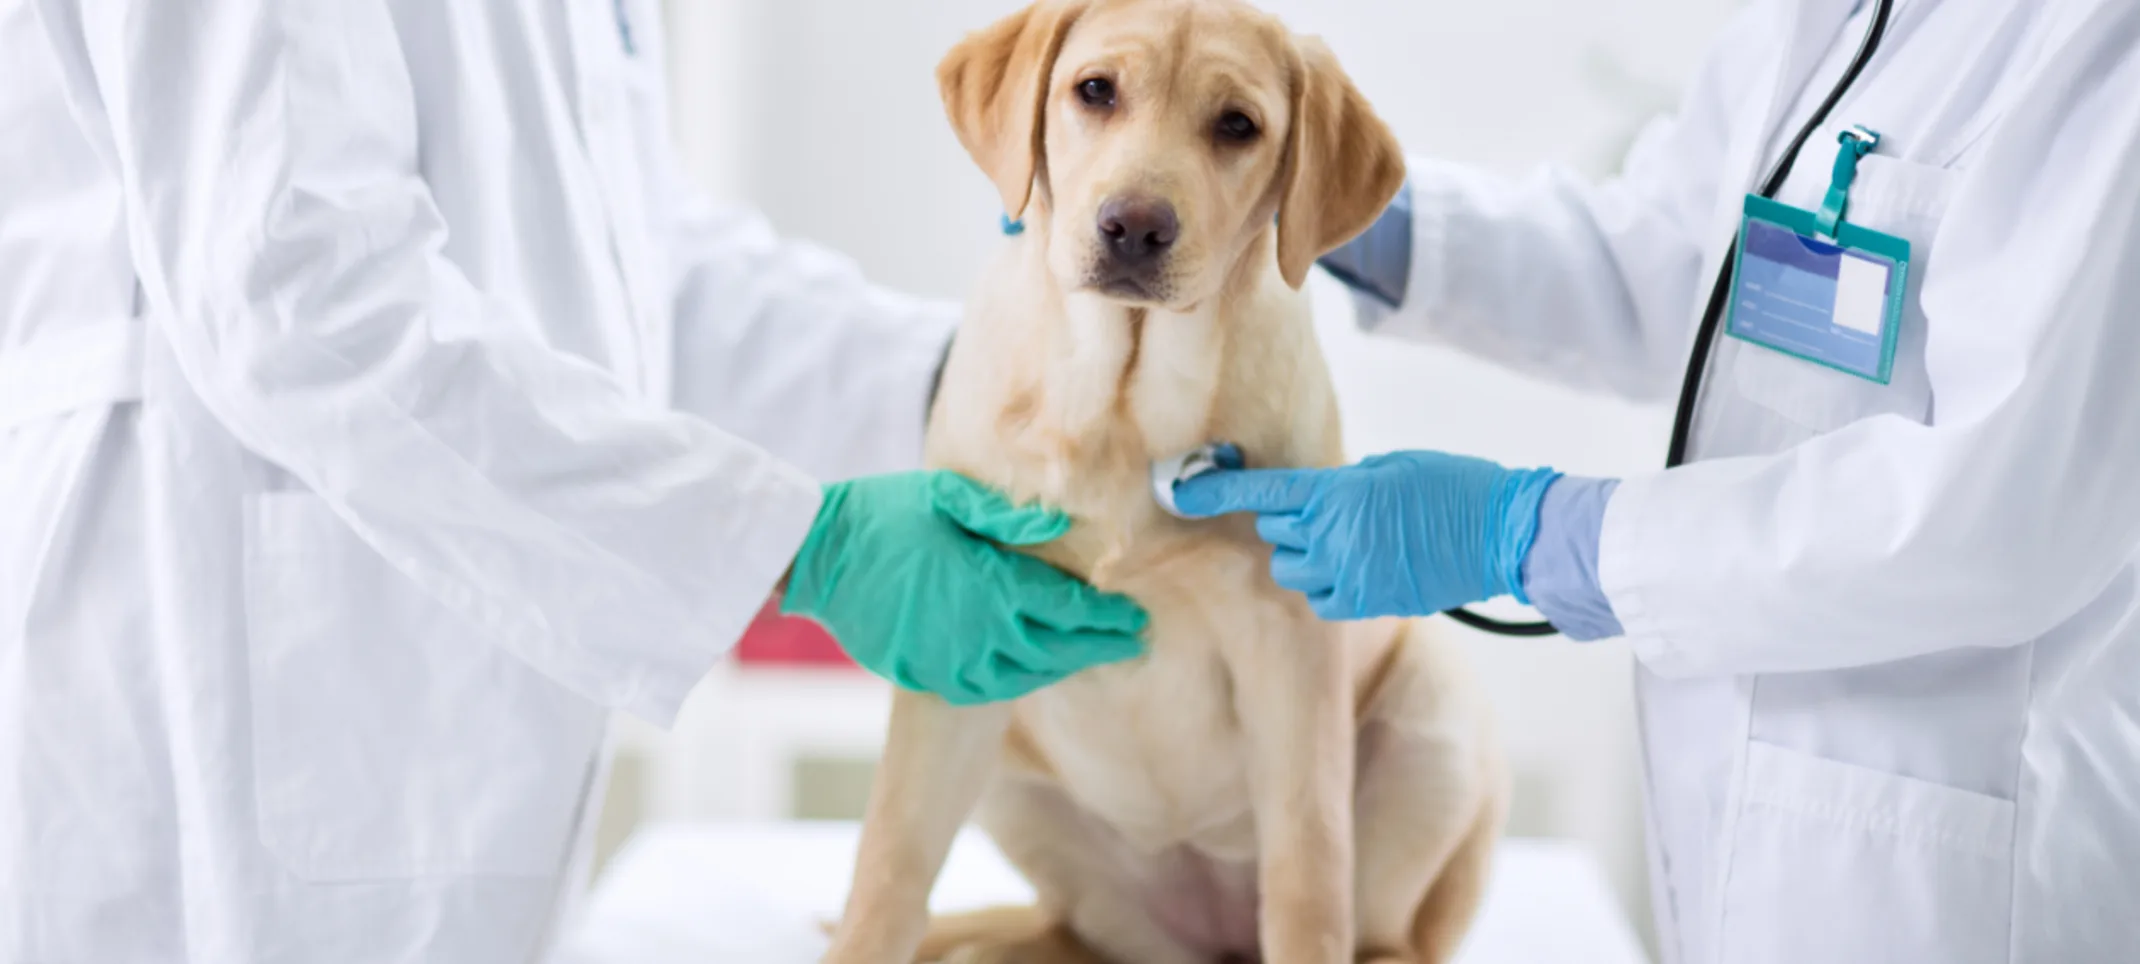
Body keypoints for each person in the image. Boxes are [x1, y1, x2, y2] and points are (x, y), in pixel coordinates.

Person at [0, 2, 1145, 961]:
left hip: (426, 697)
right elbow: (296, 294)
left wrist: (984, 380)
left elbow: (639, 270)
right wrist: (804, 545)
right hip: (218, 639)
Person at [1176, 1, 2140, 962]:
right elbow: (1678, 264)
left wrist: (1541, 533)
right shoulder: (1826, 23)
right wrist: (1359, 214)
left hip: (1954, 881)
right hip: (1752, 839)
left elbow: (1998, 517)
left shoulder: (2098, 44)